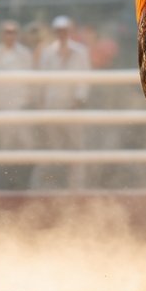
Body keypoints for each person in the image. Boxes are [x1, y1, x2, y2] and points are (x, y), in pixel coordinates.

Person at [33, 16, 91, 189]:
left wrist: (79, 99)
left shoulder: (80, 52)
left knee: (75, 145)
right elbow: (42, 80)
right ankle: (54, 183)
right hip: (53, 105)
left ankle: (76, 185)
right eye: (59, 30)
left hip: (72, 106)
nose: (62, 34)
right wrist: (41, 103)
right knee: (54, 145)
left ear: (69, 31)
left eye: (64, 30)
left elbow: (84, 78)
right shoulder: (48, 52)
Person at [0, 20, 35, 188]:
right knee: (4, 144)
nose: (9, 35)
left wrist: (28, 101)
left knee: (26, 143)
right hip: (1, 106)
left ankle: (24, 181)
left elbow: (30, 80)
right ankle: (4, 181)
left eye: (13, 32)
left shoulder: (25, 54)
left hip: (20, 106)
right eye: (7, 32)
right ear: (1, 34)